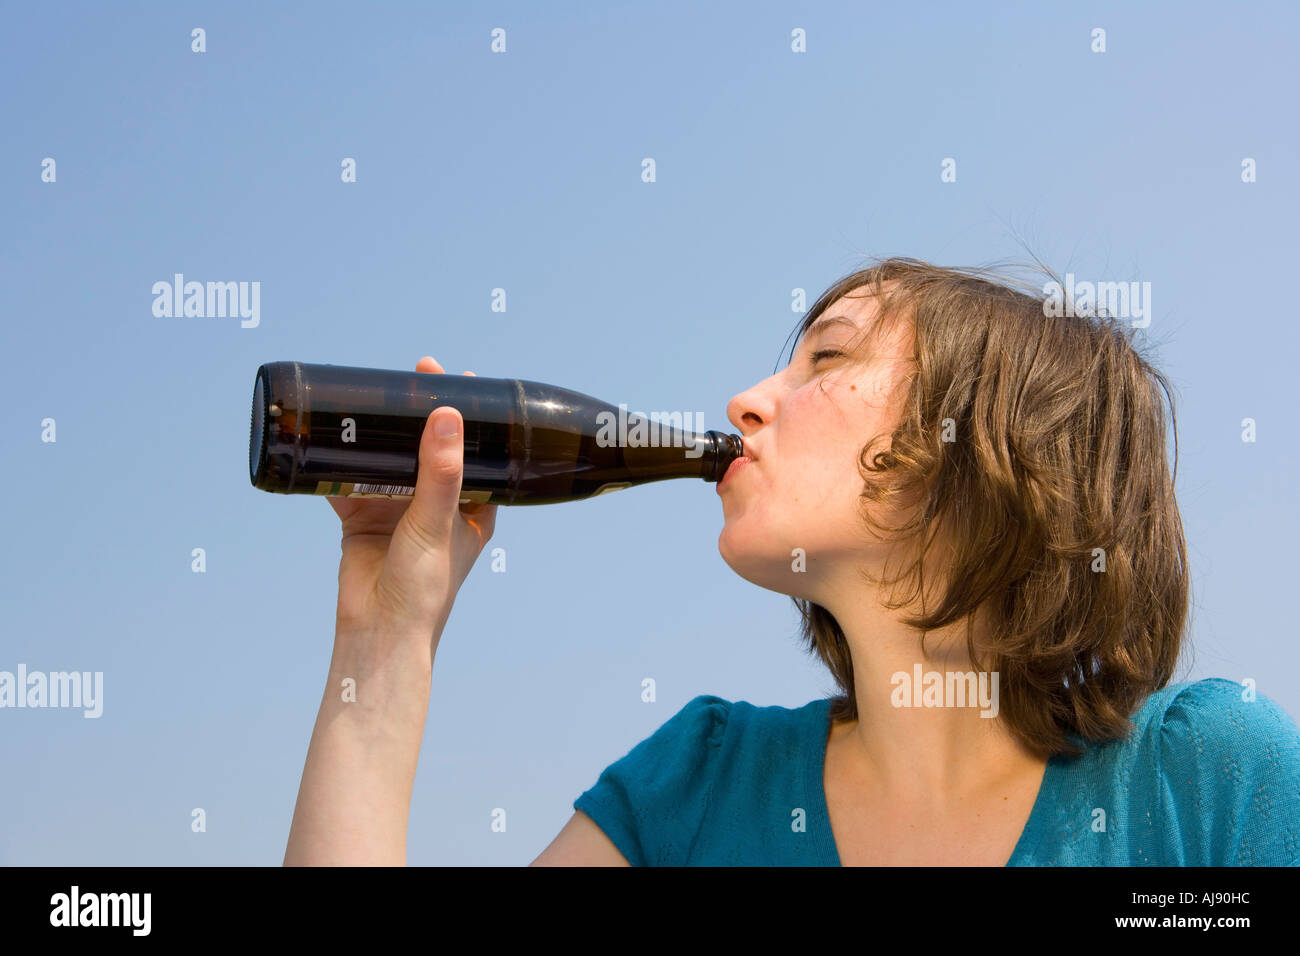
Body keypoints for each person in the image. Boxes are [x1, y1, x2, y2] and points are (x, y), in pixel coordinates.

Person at [283, 257, 1300, 866]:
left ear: (988, 438)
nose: (744, 400)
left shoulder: (1199, 781)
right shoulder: (697, 791)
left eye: (827, 357)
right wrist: (383, 639)